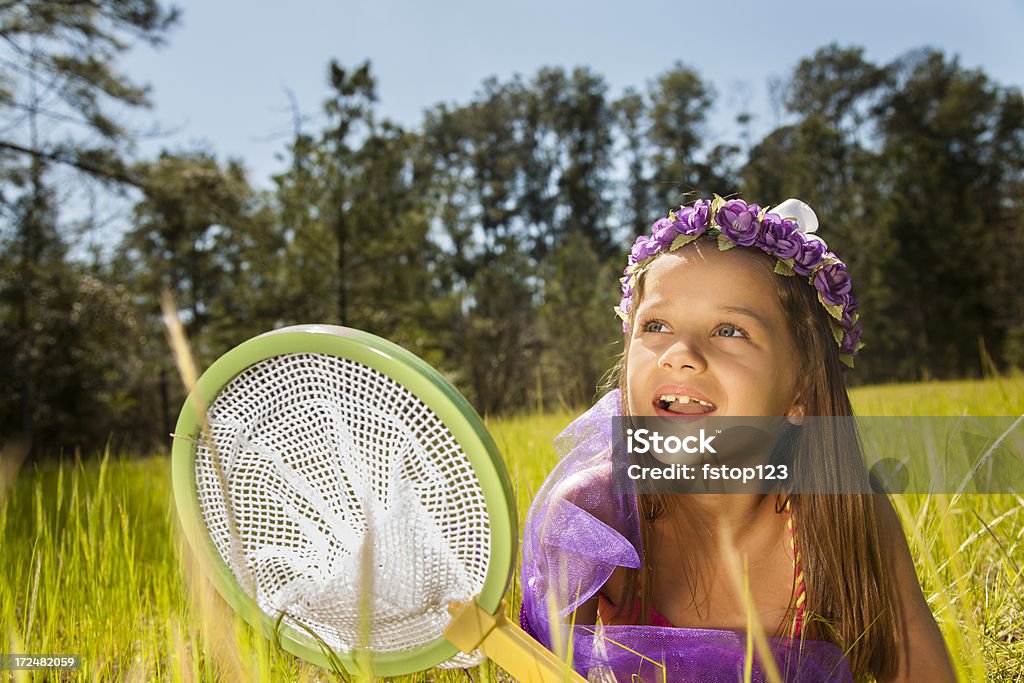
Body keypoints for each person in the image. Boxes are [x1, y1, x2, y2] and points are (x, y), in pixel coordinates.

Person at [518, 196, 956, 682]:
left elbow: (921, 670)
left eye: (729, 330)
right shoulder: (593, 515)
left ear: (799, 395)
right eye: (656, 326)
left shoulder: (843, 516)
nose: (679, 355)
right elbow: (541, 671)